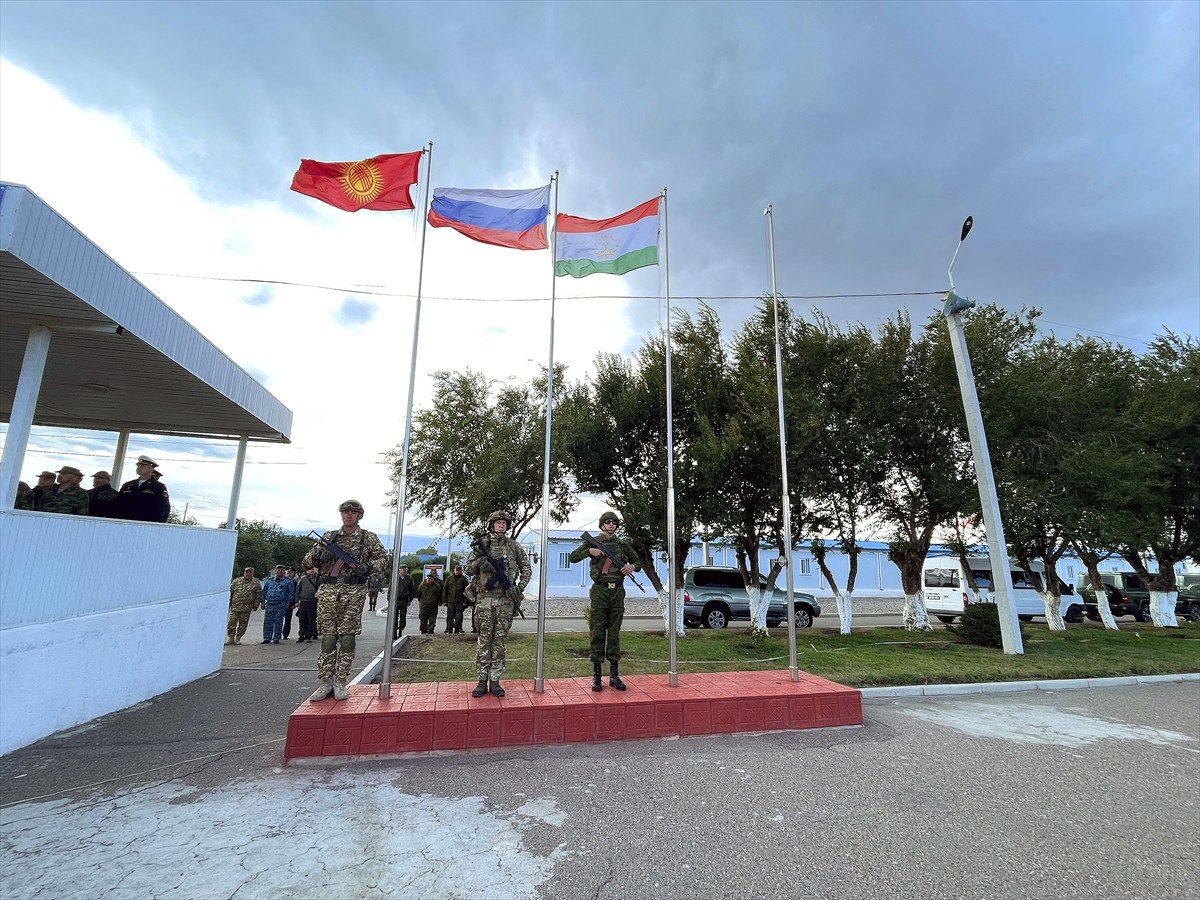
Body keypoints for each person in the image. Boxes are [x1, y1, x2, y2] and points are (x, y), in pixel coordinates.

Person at [302, 499, 388, 702]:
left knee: (348, 638)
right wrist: (320, 556)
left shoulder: (367, 538)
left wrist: (365, 567)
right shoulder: (329, 537)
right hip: (328, 592)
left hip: (353, 592)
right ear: (341, 514)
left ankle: (341, 681)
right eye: (345, 512)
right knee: (328, 637)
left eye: (353, 512)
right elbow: (306, 561)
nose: (349, 515)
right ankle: (326, 682)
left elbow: (383, 560)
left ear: (359, 516)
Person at [569, 511, 641, 692]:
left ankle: (615, 676)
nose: (611, 525)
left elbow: (638, 562)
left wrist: (631, 566)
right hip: (600, 591)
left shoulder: (622, 545)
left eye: (614, 523)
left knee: (614, 633)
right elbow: (572, 557)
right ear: (602, 525)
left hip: (617, 591)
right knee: (598, 632)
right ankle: (597, 676)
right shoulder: (593, 542)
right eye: (607, 522)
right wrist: (589, 551)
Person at [465, 510, 531, 698]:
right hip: (484, 600)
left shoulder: (514, 546)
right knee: (484, 640)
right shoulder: (482, 546)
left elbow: (526, 569)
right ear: (491, 525)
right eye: (498, 522)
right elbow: (468, 569)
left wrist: (519, 588)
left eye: (504, 523)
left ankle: (495, 681)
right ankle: (481, 681)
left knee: (499, 641)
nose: (501, 525)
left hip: (505, 600)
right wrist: (480, 562)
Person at [116, 455, 169, 522]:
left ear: (151, 468)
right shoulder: (127, 485)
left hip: (146, 525)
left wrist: (157, 525)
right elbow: (118, 504)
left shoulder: (159, 487)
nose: (139, 467)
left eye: (143, 465)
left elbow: (163, 509)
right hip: (124, 523)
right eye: (138, 465)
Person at [226, 567, 262, 645]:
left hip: (246, 608)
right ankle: (231, 638)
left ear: (252, 573)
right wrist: (228, 604)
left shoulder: (256, 582)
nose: (248, 574)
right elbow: (231, 593)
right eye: (246, 572)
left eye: (250, 572)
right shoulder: (236, 581)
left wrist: (256, 605)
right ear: (244, 572)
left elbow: (258, 595)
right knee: (231, 623)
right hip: (235, 607)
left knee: (243, 625)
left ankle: (238, 638)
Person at [260, 564, 294, 644]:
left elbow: (290, 593)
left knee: (278, 622)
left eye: (282, 570)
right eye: (278, 570)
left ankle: (276, 638)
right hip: (270, 604)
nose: (280, 571)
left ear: (284, 571)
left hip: (280, 604)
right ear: (275, 571)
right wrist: (262, 602)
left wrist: (288, 603)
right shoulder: (270, 580)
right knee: (268, 622)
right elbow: (264, 592)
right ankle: (267, 638)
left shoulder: (288, 581)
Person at [295, 565, 320, 643]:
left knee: (311, 619)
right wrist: (296, 601)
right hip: (303, 602)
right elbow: (298, 590)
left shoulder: (318, 579)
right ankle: (301, 635)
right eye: (309, 569)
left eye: (313, 569)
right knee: (302, 619)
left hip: (313, 602)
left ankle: (309, 635)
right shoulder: (303, 579)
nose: (311, 570)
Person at [391, 564, 415, 640]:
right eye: (404, 570)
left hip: (404, 600)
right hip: (395, 600)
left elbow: (412, 589)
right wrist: (389, 599)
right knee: (394, 617)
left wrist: (410, 600)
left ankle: (400, 631)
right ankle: (394, 632)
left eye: (406, 570)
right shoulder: (395, 577)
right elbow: (390, 588)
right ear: (399, 570)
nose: (405, 571)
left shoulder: (409, 578)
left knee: (402, 617)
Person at [443, 564, 469, 634]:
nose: (457, 571)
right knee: (449, 615)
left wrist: (465, 601)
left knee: (459, 616)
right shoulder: (449, 578)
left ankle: (458, 628)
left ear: (461, 571)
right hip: (450, 600)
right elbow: (445, 589)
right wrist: (444, 600)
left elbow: (467, 591)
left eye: (459, 570)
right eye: (456, 570)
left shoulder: (464, 579)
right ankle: (449, 628)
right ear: (454, 570)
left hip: (460, 601)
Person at [417, 570, 443, 634]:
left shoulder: (437, 586)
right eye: (428, 578)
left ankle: (431, 629)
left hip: (433, 605)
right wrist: (421, 602)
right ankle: (423, 630)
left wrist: (439, 602)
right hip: (424, 605)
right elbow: (418, 594)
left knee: (432, 619)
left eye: (430, 578)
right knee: (423, 618)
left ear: (433, 579)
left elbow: (439, 595)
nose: (429, 579)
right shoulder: (422, 585)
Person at [281, 566, 298, 639]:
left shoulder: (295, 583)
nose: (289, 573)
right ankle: (276, 634)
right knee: (278, 620)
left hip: (290, 604)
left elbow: (296, 594)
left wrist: (294, 603)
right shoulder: (280, 581)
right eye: (288, 572)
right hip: (280, 603)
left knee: (288, 620)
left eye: (291, 572)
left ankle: (285, 634)